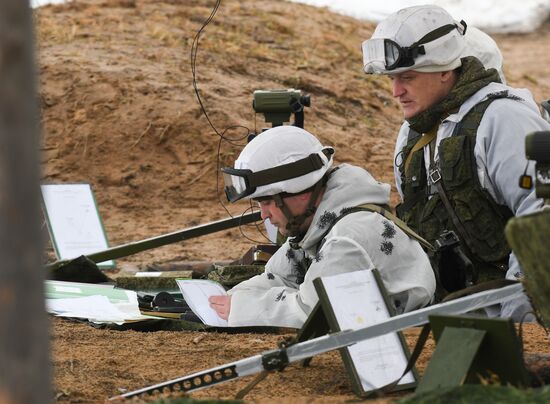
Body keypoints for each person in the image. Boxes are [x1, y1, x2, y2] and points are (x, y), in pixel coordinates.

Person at [361, 5, 550, 318]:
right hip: (455, 315)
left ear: (445, 69)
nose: (396, 92)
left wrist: (521, 320)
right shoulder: (412, 134)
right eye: (392, 79)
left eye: (407, 77)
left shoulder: (504, 120)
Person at [209, 125, 436, 328]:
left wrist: (240, 308)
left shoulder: (348, 239)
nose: (264, 215)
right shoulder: (318, 225)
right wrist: (229, 300)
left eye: (268, 202)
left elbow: (312, 313)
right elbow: (278, 277)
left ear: (301, 192)